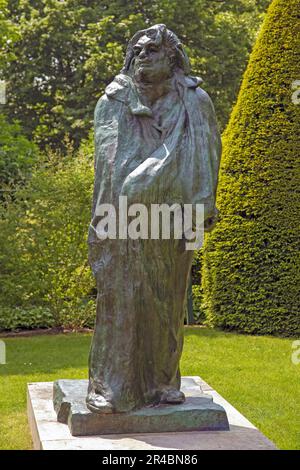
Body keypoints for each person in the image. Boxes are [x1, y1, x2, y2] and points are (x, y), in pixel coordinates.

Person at [86, 24, 221, 413]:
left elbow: (208, 153)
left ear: (173, 59)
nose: (143, 55)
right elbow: (110, 164)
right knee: (122, 297)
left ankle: (163, 381)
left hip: (177, 217)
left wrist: (199, 205)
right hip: (124, 220)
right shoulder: (114, 100)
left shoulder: (196, 102)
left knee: (168, 298)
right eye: (138, 50)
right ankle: (112, 387)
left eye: (153, 51)